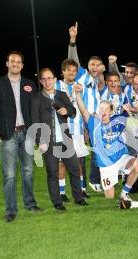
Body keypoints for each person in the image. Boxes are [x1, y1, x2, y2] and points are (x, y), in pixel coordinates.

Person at [0, 50, 42, 222]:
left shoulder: (29, 84)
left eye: (18, 62)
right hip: (7, 134)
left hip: (26, 133)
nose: (15, 64)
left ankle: (30, 203)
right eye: (12, 61)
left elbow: (34, 111)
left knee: (28, 171)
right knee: (9, 175)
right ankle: (11, 210)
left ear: (22, 65)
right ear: (7, 63)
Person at [74, 81, 138, 201]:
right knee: (110, 197)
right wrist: (78, 94)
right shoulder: (93, 123)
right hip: (106, 165)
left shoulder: (119, 119)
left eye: (106, 109)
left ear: (111, 111)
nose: (103, 111)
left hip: (121, 158)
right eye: (101, 109)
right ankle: (115, 179)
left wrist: (130, 111)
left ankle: (124, 193)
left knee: (137, 165)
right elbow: (83, 109)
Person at [31, 68, 88, 210]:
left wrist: (66, 111)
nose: (47, 81)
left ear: (55, 79)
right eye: (44, 79)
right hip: (48, 141)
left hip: (65, 139)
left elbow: (74, 113)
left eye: (49, 78)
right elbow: (34, 122)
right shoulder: (37, 98)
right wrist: (40, 141)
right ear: (41, 82)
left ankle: (78, 198)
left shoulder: (62, 95)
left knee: (75, 169)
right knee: (53, 173)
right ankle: (57, 202)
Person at [67, 22, 106, 192]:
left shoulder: (96, 80)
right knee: (82, 155)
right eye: (92, 65)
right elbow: (73, 59)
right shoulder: (82, 74)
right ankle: (85, 185)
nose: (94, 67)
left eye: (97, 65)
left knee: (97, 151)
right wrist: (73, 39)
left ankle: (93, 180)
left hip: (94, 121)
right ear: (87, 66)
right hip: (83, 121)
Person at [55, 59, 90, 202]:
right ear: (63, 71)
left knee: (79, 162)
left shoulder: (80, 87)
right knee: (61, 162)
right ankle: (62, 192)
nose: (71, 72)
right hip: (61, 130)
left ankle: (81, 190)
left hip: (77, 131)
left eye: (74, 70)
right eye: (68, 70)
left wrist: (86, 128)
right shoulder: (57, 86)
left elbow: (83, 109)